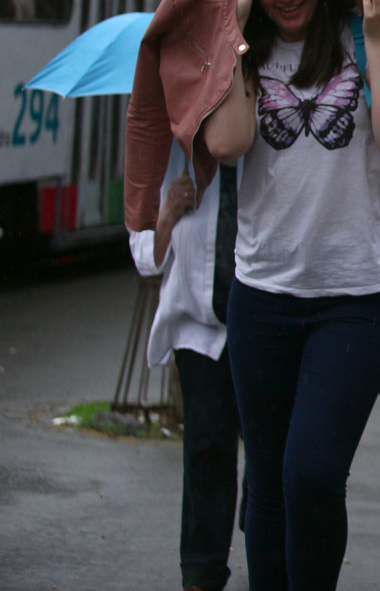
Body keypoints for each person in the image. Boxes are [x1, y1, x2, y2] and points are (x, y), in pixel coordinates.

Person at [124, 0, 380, 591]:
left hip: (355, 296)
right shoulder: (244, 49)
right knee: (265, 480)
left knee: (313, 473)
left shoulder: (360, 38)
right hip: (262, 295)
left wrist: (379, 37)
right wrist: (230, 33)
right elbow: (228, 143)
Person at [128, 146, 241, 591]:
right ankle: (201, 573)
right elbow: (146, 258)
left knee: (272, 453)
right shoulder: (170, 152)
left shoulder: (269, 137)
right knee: (206, 448)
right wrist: (167, 213)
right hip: (198, 325)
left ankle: (272, 556)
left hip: (265, 324)